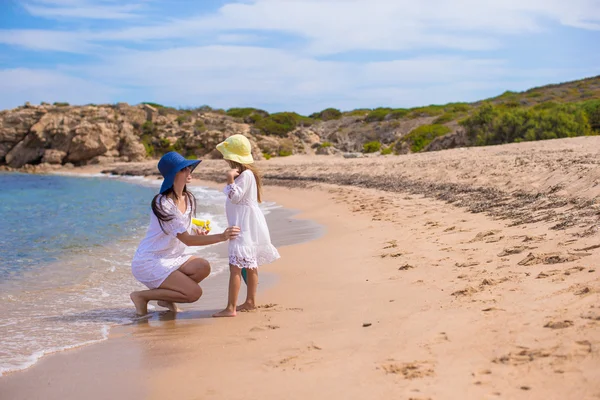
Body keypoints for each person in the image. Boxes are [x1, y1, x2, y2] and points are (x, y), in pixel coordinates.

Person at [130, 151, 240, 316]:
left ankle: (166, 298)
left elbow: (182, 231)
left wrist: (198, 232)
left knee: (202, 267)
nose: (189, 172)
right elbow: (187, 240)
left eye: (189, 168)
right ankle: (142, 297)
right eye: (184, 169)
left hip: (172, 256)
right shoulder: (163, 203)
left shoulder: (187, 197)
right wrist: (222, 236)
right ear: (173, 174)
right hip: (150, 261)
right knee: (193, 293)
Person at [213, 134, 280, 317]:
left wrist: (229, 179)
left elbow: (235, 197)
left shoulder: (245, 175)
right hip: (247, 225)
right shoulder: (247, 174)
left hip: (242, 227)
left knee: (235, 266)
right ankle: (250, 302)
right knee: (250, 265)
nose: (225, 159)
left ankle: (231, 308)